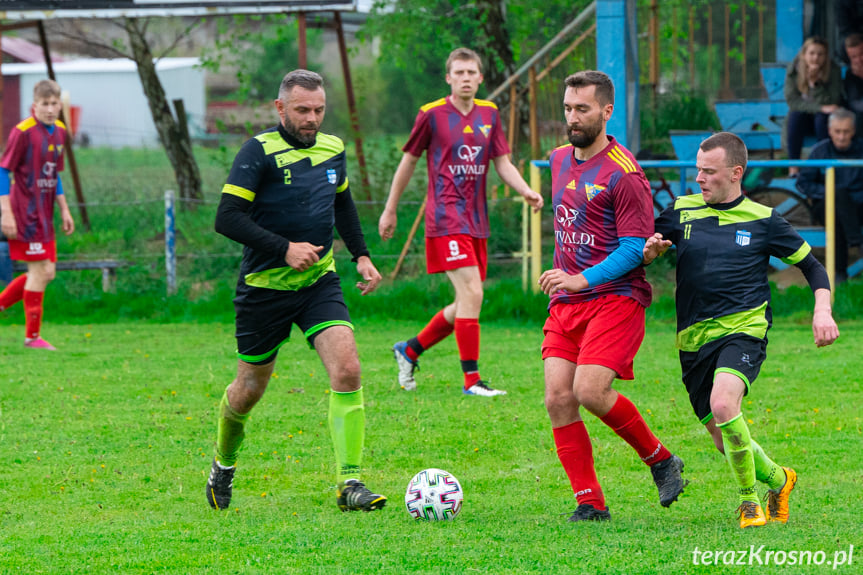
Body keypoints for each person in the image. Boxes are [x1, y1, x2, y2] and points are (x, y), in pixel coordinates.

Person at [206, 70, 387, 513]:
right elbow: (226, 217)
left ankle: (350, 483)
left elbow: (341, 202)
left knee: (347, 369)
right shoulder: (258, 152)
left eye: (319, 110)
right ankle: (223, 464)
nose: (312, 119)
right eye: (303, 110)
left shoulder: (333, 148)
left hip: (317, 283)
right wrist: (283, 248)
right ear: (281, 108)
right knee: (248, 389)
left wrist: (360, 255)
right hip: (263, 289)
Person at [645, 132, 840, 529]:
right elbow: (647, 246)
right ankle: (780, 479)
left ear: (736, 173)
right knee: (723, 437)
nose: (699, 178)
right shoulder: (680, 211)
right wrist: (648, 252)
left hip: (743, 329)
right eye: (697, 170)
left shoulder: (764, 219)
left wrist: (823, 310)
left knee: (723, 404)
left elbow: (813, 268)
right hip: (692, 341)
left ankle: (749, 502)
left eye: (709, 172)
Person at [539, 70, 686, 523]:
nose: (572, 117)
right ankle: (590, 502)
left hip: (616, 299)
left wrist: (582, 278)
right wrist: (565, 277)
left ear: (606, 111)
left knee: (589, 390)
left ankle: (661, 460)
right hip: (567, 304)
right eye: (567, 107)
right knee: (558, 398)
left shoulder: (627, 175)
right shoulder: (559, 159)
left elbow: (633, 249)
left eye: (582, 109)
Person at [378, 47, 543, 397]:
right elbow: (407, 162)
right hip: (445, 216)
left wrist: (526, 190)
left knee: (467, 302)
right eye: (459, 73)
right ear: (448, 78)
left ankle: (409, 350)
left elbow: (503, 162)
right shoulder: (431, 115)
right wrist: (390, 208)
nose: (466, 78)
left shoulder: (490, 114)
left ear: (480, 78)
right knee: (472, 292)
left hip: (476, 219)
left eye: (472, 73)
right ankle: (472, 381)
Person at [0, 79, 74, 350]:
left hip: (46, 215)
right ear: (35, 105)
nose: (50, 109)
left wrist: (64, 209)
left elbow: (54, 176)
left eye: (55, 103)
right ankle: (32, 338)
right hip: (23, 214)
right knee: (39, 270)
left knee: (47, 272)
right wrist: (5, 213)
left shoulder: (60, 132)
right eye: (45, 104)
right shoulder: (22, 132)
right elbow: (2, 171)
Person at [797, 108, 863, 281]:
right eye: (837, 131)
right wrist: (829, 192)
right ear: (829, 131)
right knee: (836, 198)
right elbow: (803, 183)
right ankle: (856, 242)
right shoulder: (820, 151)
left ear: (853, 131)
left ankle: (839, 274)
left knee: (839, 213)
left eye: (846, 132)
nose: (841, 136)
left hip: (858, 205)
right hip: (825, 205)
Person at [784, 36, 843, 176]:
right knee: (795, 115)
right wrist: (820, 107)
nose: (815, 58)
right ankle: (794, 166)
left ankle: (822, 166)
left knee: (822, 118)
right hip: (802, 118)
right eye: (812, 53)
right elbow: (793, 101)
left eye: (820, 54)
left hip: (822, 120)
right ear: (804, 54)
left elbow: (834, 100)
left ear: (825, 56)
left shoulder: (833, 70)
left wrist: (816, 84)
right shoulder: (794, 70)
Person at [841, 34, 863, 136]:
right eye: (854, 57)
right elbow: (854, 102)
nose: (858, 60)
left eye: (861, 54)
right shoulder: (850, 74)